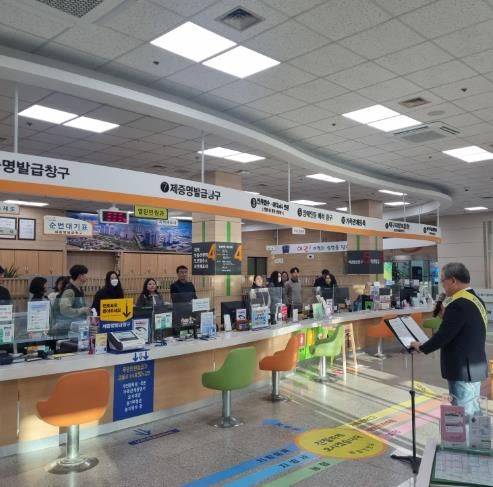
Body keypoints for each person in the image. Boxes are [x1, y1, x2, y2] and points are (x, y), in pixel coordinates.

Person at [410, 263, 489, 418]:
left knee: (464, 417)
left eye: (443, 280)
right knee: (474, 414)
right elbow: (464, 328)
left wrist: (422, 347)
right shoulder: (475, 299)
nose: (442, 285)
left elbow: (443, 335)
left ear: (453, 280)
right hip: (474, 366)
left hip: (462, 370)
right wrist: (446, 316)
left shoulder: (458, 304)